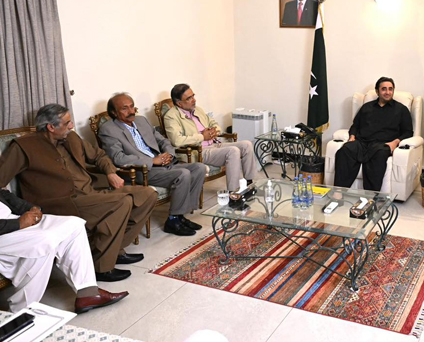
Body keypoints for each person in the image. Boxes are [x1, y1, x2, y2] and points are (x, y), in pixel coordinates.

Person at [0, 104, 157, 283]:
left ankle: (111, 251)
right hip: (61, 202)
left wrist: (110, 172)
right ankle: (102, 267)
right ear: (51, 127)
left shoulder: (71, 137)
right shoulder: (24, 146)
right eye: (67, 123)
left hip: (92, 192)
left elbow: (99, 156)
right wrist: (20, 210)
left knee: (147, 194)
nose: (72, 126)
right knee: (122, 202)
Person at [0, 189, 128, 313]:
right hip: (5, 230)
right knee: (46, 241)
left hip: (14, 221)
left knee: (74, 224)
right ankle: (20, 310)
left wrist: (32, 209)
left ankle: (87, 292)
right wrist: (18, 224)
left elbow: (5, 195)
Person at [99, 93, 207, 237]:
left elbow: (163, 141)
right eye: (124, 108)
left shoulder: (141, 120)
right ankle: (173, 220)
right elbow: (118, 158)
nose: (131, 111)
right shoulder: (109, 129)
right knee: (183, 174)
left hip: (162, 164)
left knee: (198, 168)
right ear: (113, 112)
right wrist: (152, 161)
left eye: (132, 106)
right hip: (142, 171)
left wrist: (169, 154)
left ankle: (181, 215)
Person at [164, 83, 256, 191]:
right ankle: (233, 193)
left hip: (214, 144)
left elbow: (213, 123)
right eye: (189, 98)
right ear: (179, 103)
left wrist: (214, 131)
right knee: (233, 151)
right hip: (198, 151)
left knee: (247, 145)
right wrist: (202, 137)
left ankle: (250, 184)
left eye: (193, 96)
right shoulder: (171, 116)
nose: (194, 100)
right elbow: (177, 140)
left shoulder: (197, 109)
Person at [333, 77, 413, 191]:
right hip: (362, 142)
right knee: (345, 150)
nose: (387, 92)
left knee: (379, 154)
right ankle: (338, 192)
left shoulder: (401, 110)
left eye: (390, 89)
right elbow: (355, 125)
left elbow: (408, 132)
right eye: (384, 89)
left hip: (383, 144)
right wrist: (352, 137)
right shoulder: (367, 107)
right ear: (377, 91)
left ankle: (370, 196)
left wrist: (395, 142)